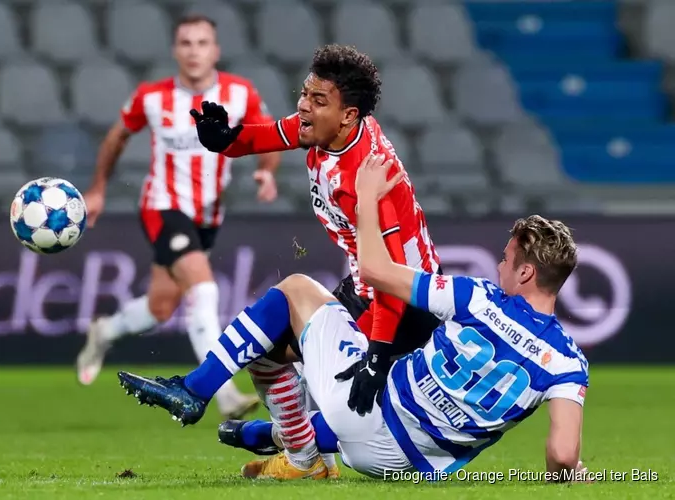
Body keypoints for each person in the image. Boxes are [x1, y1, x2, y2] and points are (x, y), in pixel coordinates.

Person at [116, 154, 590, 481]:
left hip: (367, 420)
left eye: (507, 258)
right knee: (368, 389)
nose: (500, 263)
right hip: (411, 468)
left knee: (294, 293)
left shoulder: (478, 298)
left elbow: (377, 271)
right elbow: (563, 456)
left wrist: (366, 197)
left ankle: (195, 391)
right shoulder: (568, 362)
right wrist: (575, 475)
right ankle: (270, 437)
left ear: (527, 271)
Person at [186, 44, 443, 474]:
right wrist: (226, 140)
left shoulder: (368, 173)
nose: (303, 106)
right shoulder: (325, 131)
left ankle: (284, 444)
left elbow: (395, 276)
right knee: (269, 350)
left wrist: (378, 356)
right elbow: (270, 134)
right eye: (305, 93)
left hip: (403, 305)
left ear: (349, 115)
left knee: (345, 400)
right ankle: (299, 451)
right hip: (366, 287)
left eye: (317, 100)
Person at [76, 14, 281, 420]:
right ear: (176, 50)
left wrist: (266, 171)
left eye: (202, 43)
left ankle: (105, 330)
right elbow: (116, 137)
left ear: (215, 51)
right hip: (163, 207)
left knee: (160, 307)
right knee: (203, 289)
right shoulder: (151, 97)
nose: (194, 51)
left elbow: (268, 131)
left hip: (207, 215)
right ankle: (222, 394)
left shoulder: (239, 93)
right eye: (186, 43)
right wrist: (97, 189)